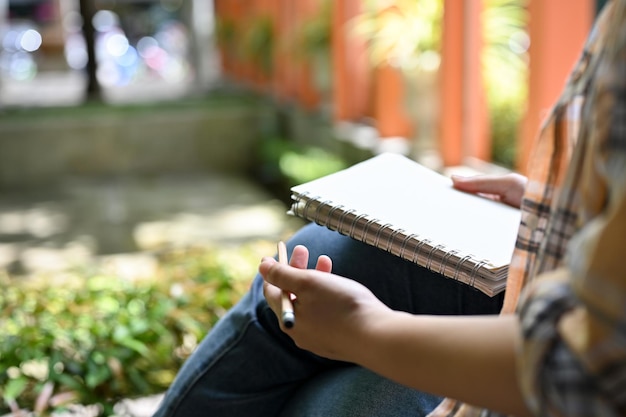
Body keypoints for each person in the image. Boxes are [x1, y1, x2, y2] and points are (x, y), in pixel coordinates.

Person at [154, 1, 626, 416]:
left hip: (562, 358)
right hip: (560, 288)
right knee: (330, 254)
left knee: (350, 362)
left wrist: (366, 331)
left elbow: (589, 367)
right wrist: (566, 206)